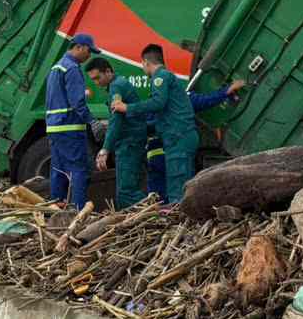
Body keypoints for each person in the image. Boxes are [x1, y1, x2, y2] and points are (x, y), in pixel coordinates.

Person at [111, 45, 199, 204]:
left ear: (146, 62)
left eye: (142, 65)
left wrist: (127, 108)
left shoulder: (161, 77)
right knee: (180, 184)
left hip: (178, 136)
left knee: (177, 187)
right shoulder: (167, 77)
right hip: (179, 136)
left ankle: (181, 216)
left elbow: (158, 103)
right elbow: (164, 115)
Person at [143, 78, 246, 203]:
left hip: (156, 155)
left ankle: (160, 210)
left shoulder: (152, 103)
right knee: (180, 189)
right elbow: (206, 101)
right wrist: (226, 91)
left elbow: (142, 125)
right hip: (176, 153)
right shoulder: (183, 99)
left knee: (157, 193)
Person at [44, 34, 97, 206]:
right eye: (89, 51)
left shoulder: (57, 67)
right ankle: (78, 211)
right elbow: (77, 102)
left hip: (54, 128)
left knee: (58, 171)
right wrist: (92, 121)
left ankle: (56, 209)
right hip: (70, 127)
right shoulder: (72, 68)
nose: (89, 55)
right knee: (78, 170)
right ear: (79, 47)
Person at [86, 58, 147, 209]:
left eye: (98, 78)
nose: (96, 83)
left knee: (126, 193)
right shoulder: (118, 83)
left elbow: (116, 120)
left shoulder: (116, 87)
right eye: (93, 79)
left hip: (129, 143)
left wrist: (105, 149)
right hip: (132, 141)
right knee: (130, 189)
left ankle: (155, 211)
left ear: (108, 71)